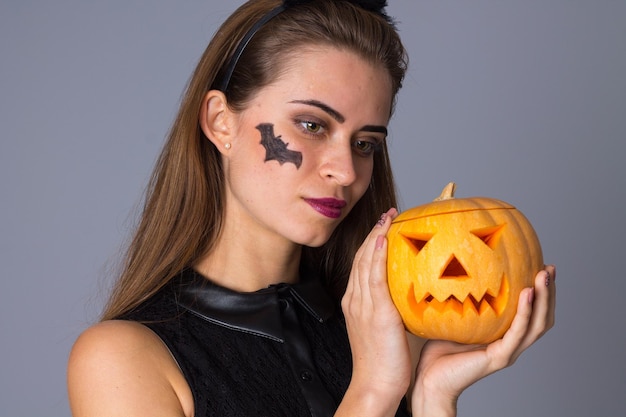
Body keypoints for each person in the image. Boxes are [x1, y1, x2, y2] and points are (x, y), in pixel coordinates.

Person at [67, 0, 557, 416]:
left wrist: (431, 395)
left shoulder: (388, 328)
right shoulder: (123, 359)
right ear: (221, 122)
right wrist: (373, 393)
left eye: (365, 143)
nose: (345, 170)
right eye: (312, 125)